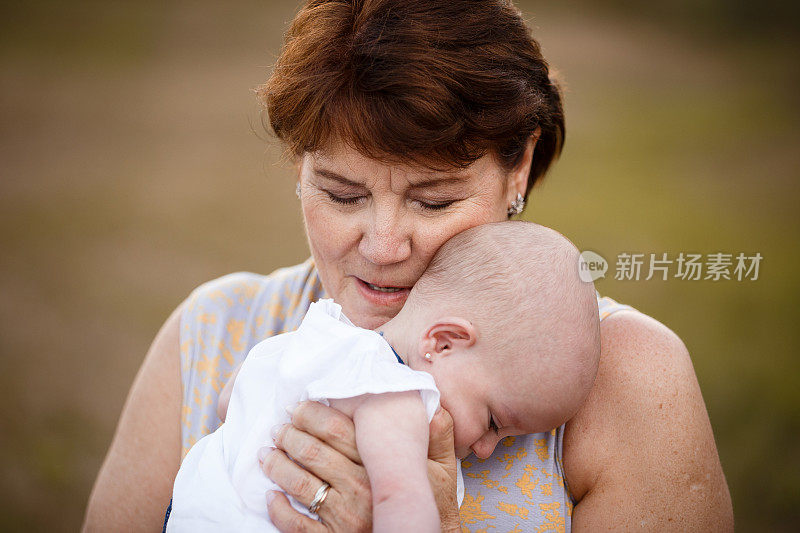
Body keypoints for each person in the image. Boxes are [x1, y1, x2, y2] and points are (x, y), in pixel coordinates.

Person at [84, 0, 733, 531]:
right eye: (342, 192)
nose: (385, 246)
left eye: (433, 199)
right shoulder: (212, 332)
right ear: (299, 169)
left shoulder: (623, 380)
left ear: (521, 167)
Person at [166, 222, 601, 532]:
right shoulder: (393, 395)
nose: (486, 449)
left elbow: (230, 402)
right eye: (493, 422)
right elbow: (400, 500)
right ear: (443, 342)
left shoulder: (315, 334)